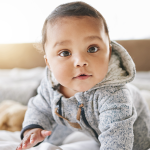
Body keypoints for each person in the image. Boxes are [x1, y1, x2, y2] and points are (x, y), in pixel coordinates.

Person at [16, 1, 150, 150]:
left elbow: (117, 140)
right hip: (94, 130)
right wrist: (33, 128)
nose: (80, 61)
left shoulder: (115, 96)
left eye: (92, 48)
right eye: (65, 53)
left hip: (134, 139)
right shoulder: (51, 84)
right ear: (48, 62)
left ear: (109, 53)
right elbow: (40, 107)